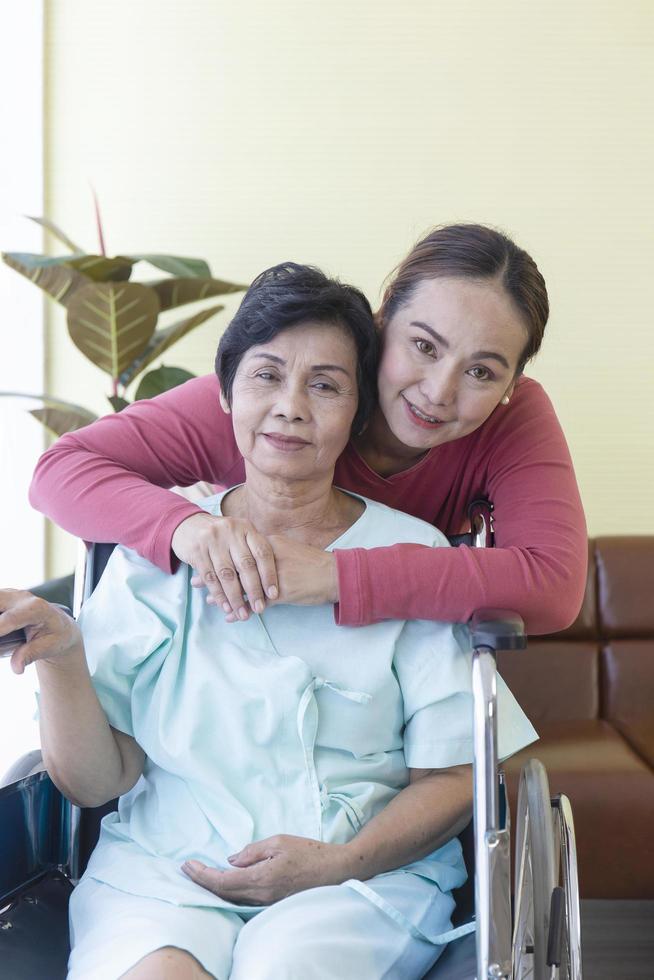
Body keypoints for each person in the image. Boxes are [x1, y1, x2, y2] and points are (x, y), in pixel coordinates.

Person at [0, 264, 537, 980]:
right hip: (166, 872)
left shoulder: (410, 556)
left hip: (356, 884)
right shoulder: (157, 554)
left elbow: (450, 777)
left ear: (356, 411)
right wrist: (65, 654)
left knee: (283, 968)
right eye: (266, 376)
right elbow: (98, 783)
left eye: (325, 385)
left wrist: (336, 863)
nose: (291, 407)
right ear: (224, 393)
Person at [29, 224, 586, 635]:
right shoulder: (276, 398)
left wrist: (334, 575)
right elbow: (61, 471)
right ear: (382, 318)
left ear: (513, 382)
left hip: (388, 660)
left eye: (482, 372)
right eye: (423, 345)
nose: (440, 391)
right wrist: (191, 529)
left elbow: (554, 586)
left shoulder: (513, 420)